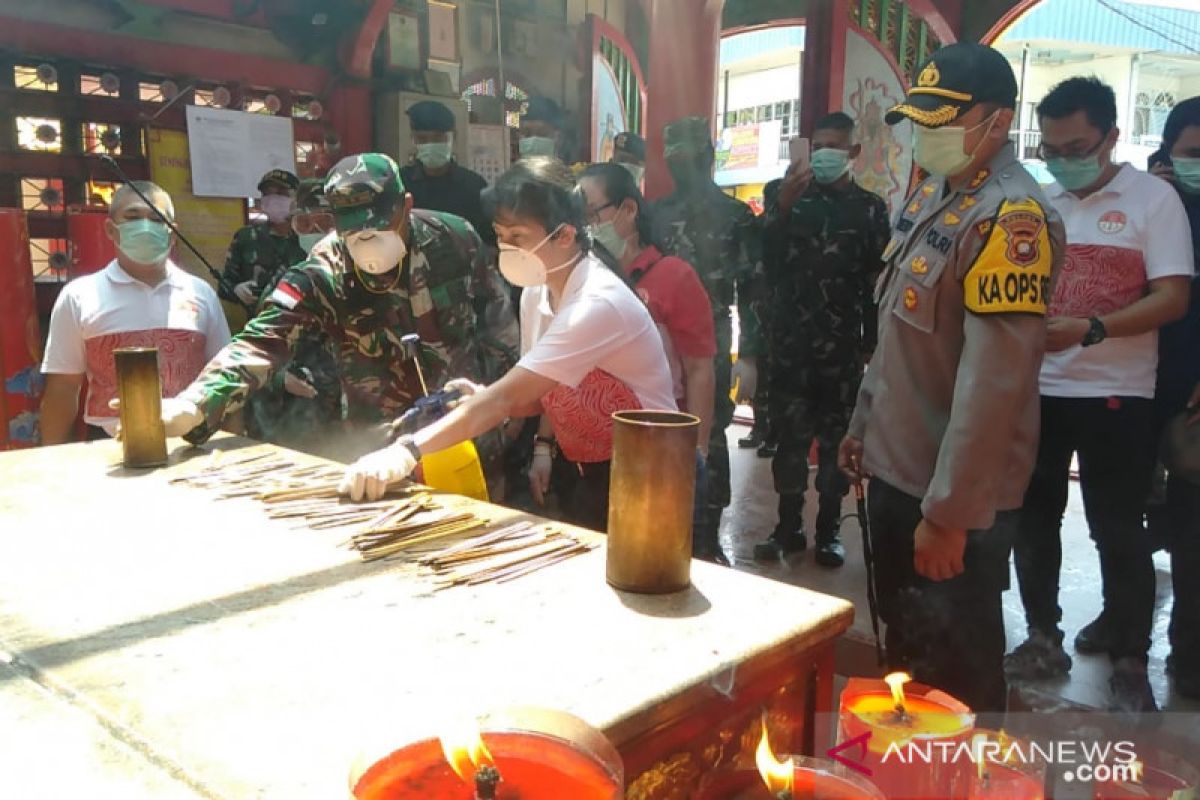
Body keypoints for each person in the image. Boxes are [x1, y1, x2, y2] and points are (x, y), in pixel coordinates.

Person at [837, 43, 1065, 713]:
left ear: (997, 123)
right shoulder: (939, 193)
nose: (927, 137)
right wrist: (863, 424)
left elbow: (994, 385)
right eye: (923, 122)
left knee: (956, 674)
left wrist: (950, 516)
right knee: (907, 658)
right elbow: (898, 334)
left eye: (943, 122)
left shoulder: (1011, 220)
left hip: (948, 495)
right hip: (897, 468)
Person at [339, 157, 676, 532]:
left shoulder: (597, 304)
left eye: (517, 238)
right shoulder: (537, 293)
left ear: (564, 235)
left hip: (650, 473)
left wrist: (407, 449)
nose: (504, 248)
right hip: (591, 468)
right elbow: (538, 390)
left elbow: (508, 399)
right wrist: (484, 395)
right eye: (499, 236)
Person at [150, 153, 520, 483]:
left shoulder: (454, 239)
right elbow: (261, 340)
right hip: (380, 454)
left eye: (376, 224)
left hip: (465, 431)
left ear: (405, 206)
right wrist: (197, 403)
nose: (366, 238)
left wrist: (509, 406)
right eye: (353, 228)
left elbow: (499, 322)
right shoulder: (324, 271)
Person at [1004, 77, 1192, 714]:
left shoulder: (1152, 201)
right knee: (1034, 519)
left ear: (1112, 136)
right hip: (1039, 389)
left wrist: (1092, 329)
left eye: (1076, 145)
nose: (1062, 159)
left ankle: (1131, 658)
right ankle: (1041, 636)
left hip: (1119, 391)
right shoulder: (1041, 202)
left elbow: (1173, 297)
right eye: (1051, 147)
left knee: (1118, 527)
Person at [755, 112, 889, 568]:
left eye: (834, 146)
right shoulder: (781, 195)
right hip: (789, 345)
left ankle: (829, 531)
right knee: (789, 442)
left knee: (836, 445)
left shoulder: (870, 208)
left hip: (841, 348)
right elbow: (763, 261)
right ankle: (787, 528)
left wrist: (872, 343)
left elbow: (877, 282)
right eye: (817, 146)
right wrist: (784, 208)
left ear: (852, 152)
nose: (824, 154)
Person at [576, 162, 718, 554]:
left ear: (629, 209)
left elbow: (699, 368)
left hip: (662, 446)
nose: (587, 225)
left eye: (593, 212)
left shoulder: (673, 276)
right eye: (580, 216)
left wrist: (697, 451)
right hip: (599, 450)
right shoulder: (584, 279)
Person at [652, 116, 764, 565]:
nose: (684, 164)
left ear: (709, 154)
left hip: (711, 341)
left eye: (692, 154)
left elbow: (753, 291)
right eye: (675, 156)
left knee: (710, 436)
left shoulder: (737, 217)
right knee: (658, 431)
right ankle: (664, 526)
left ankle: (707, 535)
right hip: (658, 337)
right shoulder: (654, 212)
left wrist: (750, 355)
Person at [40, 181, 230, 443]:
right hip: (109, 446)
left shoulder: (202, 294)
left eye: (156, 218)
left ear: (172, 233)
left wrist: (234, 441)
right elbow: (63, 388)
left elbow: (225, 378)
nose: (145, 226)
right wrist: (51, 460)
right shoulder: (79, 296)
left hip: (192, 444)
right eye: (133, 217)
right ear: (111, 229)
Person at [1148, 97, 1200, 701]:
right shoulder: (1149, 203)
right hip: (1139, 383)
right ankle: (1123, 622)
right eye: (1192, 154)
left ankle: (1188, 651)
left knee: (1192, 527)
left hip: (1195, 399)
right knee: (1132, 515)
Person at [242, 178, 343, 449]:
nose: (317, 233)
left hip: (360, 418)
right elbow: (256, 349)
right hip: (301, 425)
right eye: (305, 225)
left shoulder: (370, 275)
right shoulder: (288, 281)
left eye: (326, 222)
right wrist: (280, 379)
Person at [401, 100, 494, 247]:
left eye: (438, 138)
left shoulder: (474, 186)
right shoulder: (401, 183)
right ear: (413, 139)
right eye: (422, 139)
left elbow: (489, 244)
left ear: (454, 137)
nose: (430, 145)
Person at [738, 178, 782, 460]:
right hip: (756, 312)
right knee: (758, 378)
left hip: (784, 318)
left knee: (777, 379)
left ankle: (773, 433)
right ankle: (761, 428)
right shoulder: (757, 228)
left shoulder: (794, 226)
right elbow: (745, 274)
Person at [220, 169, 305, 309]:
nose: (273, 199)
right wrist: (236, 290)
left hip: (305, 322)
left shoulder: (308, 238)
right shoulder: (246, 237)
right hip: (260, 325)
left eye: (281, 193)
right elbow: (224, 285)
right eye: (267, 194)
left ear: (297, 198)